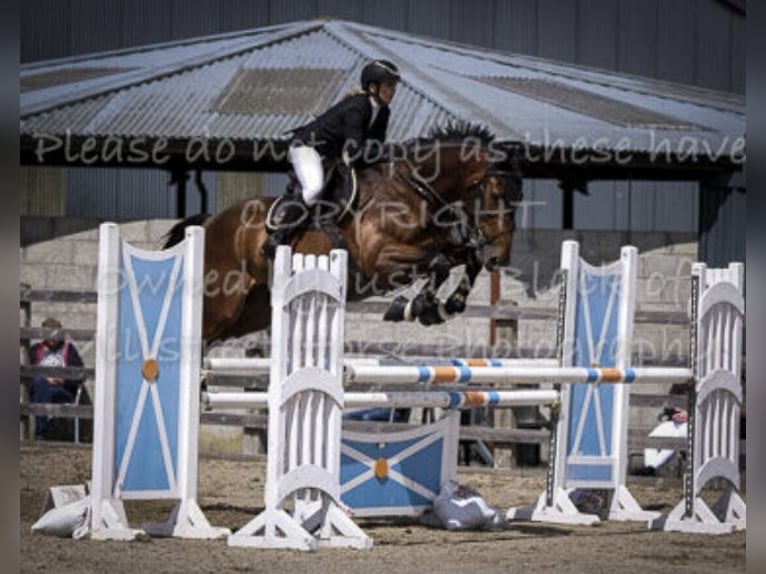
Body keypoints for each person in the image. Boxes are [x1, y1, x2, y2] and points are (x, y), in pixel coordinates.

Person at [262, 59, 401, 257]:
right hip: (308, 148)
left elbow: (374, 148)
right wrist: (388, 152)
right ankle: (277, 237)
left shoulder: (383, 112)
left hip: (331, 156)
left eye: (394, 86)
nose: (393, 91)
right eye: (389, 85)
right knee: (314, 188)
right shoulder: (357, 107)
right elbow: (354, 153)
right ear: (373, 87)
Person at [28, 317, 84, 439]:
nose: (52, 338)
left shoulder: (69, 350)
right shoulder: (35, 350)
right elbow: (26, 373)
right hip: (39, 388)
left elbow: (81, 374)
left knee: (41, 387)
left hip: (61, 390)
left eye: (54, 334)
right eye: (48, 334)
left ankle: (40, 433)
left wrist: (62, 380)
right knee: (39, 383)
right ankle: (40, 433)